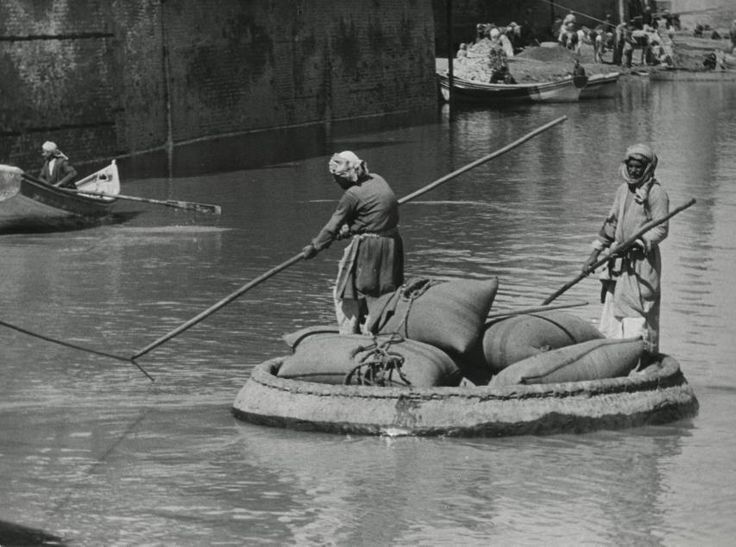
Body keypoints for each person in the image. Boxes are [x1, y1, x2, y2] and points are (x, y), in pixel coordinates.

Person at [582, 144, 669, 364]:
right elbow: (611, 224)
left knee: (639, 310)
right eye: (630, 166)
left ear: (648, 167)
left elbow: (661, 229)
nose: (633, 171)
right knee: (613, 310)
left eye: (638, 167)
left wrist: (639, 242)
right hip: (618, 262)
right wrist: (594, 253)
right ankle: (614, 360)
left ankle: (640, 360)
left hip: (641, 262)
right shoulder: (623, 190)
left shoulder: (657, 193)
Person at [302, 151, 404, 335]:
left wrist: (314, 247)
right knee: (380, 291)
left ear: (345, 175)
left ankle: (348, 334)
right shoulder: (378, 179)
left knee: (344, 293)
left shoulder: (352, 194)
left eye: (336, 177)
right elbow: (376, 213)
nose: (335, 181)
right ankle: (374, 327)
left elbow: (332, 227)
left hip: (370, 247)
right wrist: (353, 228)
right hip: (391, 242)